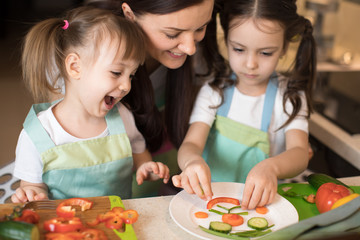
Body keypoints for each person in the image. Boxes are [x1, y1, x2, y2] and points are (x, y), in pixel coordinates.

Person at [11, 6, 170, 202]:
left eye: (131, 75)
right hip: (65, 228)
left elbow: (138, 151)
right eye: (116, 73)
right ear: (75, 67)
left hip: (116, 223)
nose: (126, 86)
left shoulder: (122, 117)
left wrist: (146, 166)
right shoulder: (37, 134)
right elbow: (32, 185)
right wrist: (33, 194)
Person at [173, 0, 317, 210]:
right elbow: (191, 144)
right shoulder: (214, 91)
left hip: (265, 206)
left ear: (285, 47)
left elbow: (300, 152)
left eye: (266, 53)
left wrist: (272, 168)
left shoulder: (289, 96)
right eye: (239, 49)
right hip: (209, 202)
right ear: (227, 41)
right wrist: (191, 162)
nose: (251, 63)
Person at [85, 0, 215, 197]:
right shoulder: (87, 56)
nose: (190, 49)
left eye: (201, 28)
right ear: (129, 14)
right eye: (172, 34)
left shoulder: (201, 58)